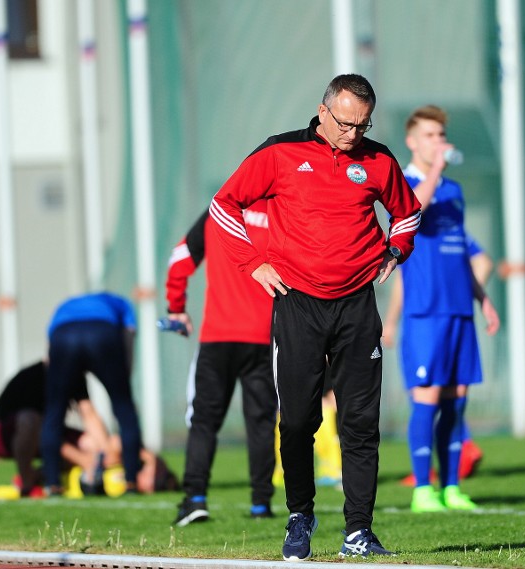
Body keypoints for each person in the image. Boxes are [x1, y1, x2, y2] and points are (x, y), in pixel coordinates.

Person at [209, 74, 421, 560]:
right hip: (298, 304)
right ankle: (300, 515)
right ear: (323, 111)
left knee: (361, 423)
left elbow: (407, 214)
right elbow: (224, 205)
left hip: (357, 306)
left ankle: (358, 532)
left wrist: (396, 250)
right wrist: (252, 262)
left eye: (362, 125)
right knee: (300, 419)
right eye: (346, 123)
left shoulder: (378, 158)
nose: (353, 134)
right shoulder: (280, 154)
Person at [396, 105, 499, 513]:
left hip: (459, 309)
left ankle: (452, 486)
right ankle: (424, 489)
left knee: (457, 400)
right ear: (412, 141)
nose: (437, 141)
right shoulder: (404, 182)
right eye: (429, 135)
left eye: (441, 135)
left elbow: (462, 254)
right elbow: (412, 210)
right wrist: (435, 171)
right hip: (425, 311)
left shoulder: (453, 191)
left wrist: (483, 298)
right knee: (428, 397)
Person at [164, 202, 278, 526]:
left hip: (218, 336)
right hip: (264, 337)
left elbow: (181, 258)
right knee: (261, 423)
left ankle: (195, 499)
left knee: (204, 421)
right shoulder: (282, 211)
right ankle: (261, 505)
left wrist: (176, 306)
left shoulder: (219, 211)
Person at [382, 232, 492, 486]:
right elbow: (484, 262)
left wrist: (391, 320)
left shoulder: (418, 232)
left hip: (426, 318)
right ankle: (442, 472)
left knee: (427, 397)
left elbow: (402, 279)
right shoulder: (451, 228)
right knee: (444, 396)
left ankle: (427, 478)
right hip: (451, 317)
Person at [41, 292, 143, 496]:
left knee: (54, 413)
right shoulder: (122, 303)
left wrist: (57, 389)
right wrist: (123, 385)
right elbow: (128, 337)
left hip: (64, 337)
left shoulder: (64, 305)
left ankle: (52, 484)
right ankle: (131, 482)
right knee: (124, 409)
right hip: (101, 334)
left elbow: (51, 349)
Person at [0, 360, 107, 496]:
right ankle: (27, 482)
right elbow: (44, 431)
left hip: (47, 438)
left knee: (91, 443)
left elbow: (89, 413)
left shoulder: (73, 375)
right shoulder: (32, 376)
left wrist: (104, 453)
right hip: (10, 437)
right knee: (29, 420)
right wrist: (83, 460)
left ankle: (37, 475)